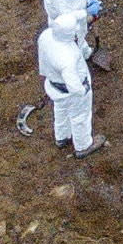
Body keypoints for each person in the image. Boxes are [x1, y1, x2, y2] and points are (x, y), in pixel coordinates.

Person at [38, 11, 105, 157]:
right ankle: (83, 145)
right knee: (80, 116)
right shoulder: (67, 57)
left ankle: (62, 137)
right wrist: (84, 90)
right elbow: (75, 87)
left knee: (61, 110)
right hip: (72, 91)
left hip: (54, 86)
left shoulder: (46, 36)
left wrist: (87, 13)